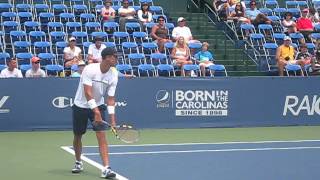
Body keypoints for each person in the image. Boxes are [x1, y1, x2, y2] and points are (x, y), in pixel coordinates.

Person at [71, 47, 118, 179]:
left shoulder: (113, 74)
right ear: (107, 57)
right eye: (115, 56)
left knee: (101, 135)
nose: (117, 59)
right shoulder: (90, 69)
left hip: (98, 104)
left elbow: (110, 98)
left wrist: (112, 118)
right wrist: (95, 111)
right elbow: (87, 92)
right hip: (80, 105)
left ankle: (106, 168)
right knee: (78, 135)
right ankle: (78, 161)